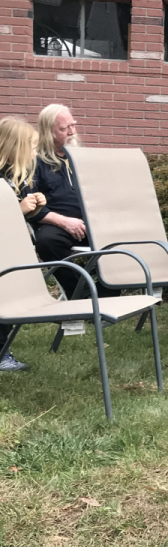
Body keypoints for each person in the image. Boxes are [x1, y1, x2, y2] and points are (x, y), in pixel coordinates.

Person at [29, 103, 90, 304]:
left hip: (91, 222)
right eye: (64, 128)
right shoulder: (34, 162)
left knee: (121, 234)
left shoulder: (81, 158)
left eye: (73, 125)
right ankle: (82, 296)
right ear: (48, 132)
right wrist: (65, 222)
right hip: (57, 226)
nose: (72, 132)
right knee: (47, 241)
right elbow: (31, 205)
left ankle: (109, 290)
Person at [0, 117, 46, 371]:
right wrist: (19, 209)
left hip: (13, 251)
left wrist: (34, 205)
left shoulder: (17, 178)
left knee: (10, 303)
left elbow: (21, 215)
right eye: (33, 147)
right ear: (16, 147)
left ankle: (3, 351)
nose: (35, 153)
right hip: (3, 254)